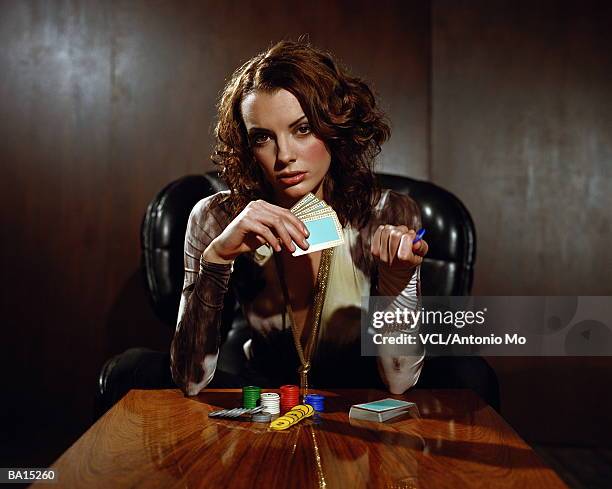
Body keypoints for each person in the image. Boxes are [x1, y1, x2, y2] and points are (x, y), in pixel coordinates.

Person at [169, 39, 429, 397]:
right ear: (248, 146)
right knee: (134, 367)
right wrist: (215, 260)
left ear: (335, 127)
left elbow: (400, 381)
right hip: (264, 402)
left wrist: (399, 279)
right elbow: (188, 380)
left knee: (469, 374)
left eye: (302, 129)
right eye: (263, 138)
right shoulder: (216, 217)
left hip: (353, 405)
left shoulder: (386, 213)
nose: (284, 156)